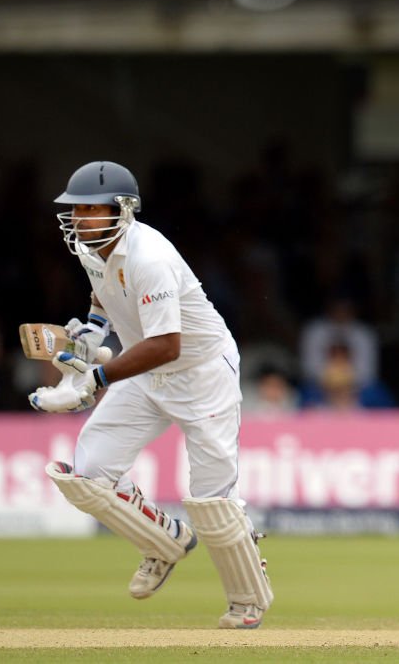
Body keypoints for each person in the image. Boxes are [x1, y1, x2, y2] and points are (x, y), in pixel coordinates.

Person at [28, 161, 273, 629]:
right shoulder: (89, 246)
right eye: (74, 210)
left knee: (212, 502)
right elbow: (104, 296)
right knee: (88, 475)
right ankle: (164, 542)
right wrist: (93, 331)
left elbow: (167, 345)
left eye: (90, 210)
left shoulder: (150, 257)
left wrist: (96, 381)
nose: (78, 219)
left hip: (201, 375)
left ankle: (248, 601)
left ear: (122, 210)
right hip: (145, 370)